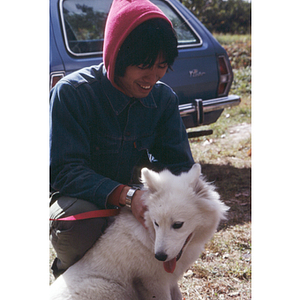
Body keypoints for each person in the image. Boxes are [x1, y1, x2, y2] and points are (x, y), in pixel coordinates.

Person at [49, 0, 194, 278]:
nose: (152, 77)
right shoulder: (73, 93)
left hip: (136, 198)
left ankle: (142, 280)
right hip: (81, 198)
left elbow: (179, 168)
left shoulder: (163, 99)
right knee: (76, 226)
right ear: (117, 57)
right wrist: (128, 196)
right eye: (144, 66)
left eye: (162, 66)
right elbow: (65, 172)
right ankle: (69, 274)